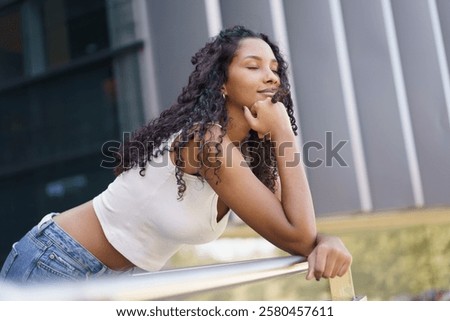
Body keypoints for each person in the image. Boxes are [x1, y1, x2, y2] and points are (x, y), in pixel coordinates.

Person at [0, 25, 351, 285]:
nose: (270, 77)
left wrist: (327, 240)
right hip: (57, 262)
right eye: (253, 66)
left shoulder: (249, 158)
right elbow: (297, 235)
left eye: (275, 69)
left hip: (111, 281)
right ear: (221, 83)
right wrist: (284, 133)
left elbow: (297, 230)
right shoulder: (205, 140)